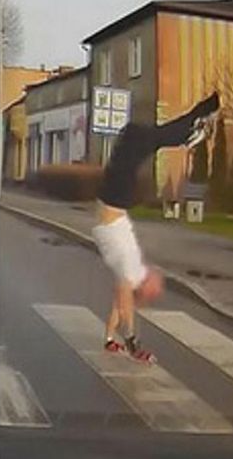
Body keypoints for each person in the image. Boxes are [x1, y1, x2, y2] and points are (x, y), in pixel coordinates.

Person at [93, 90, 220, 362]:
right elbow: (126, 294)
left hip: (115, 220)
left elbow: (123, 295)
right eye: (154, 287)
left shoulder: (132, 274)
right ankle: (130, 341)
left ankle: (112, 338)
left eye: (154, 286)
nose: (156, 285)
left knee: (158, 137)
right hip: (113, 222)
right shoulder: (133, 273)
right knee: (158, 137)